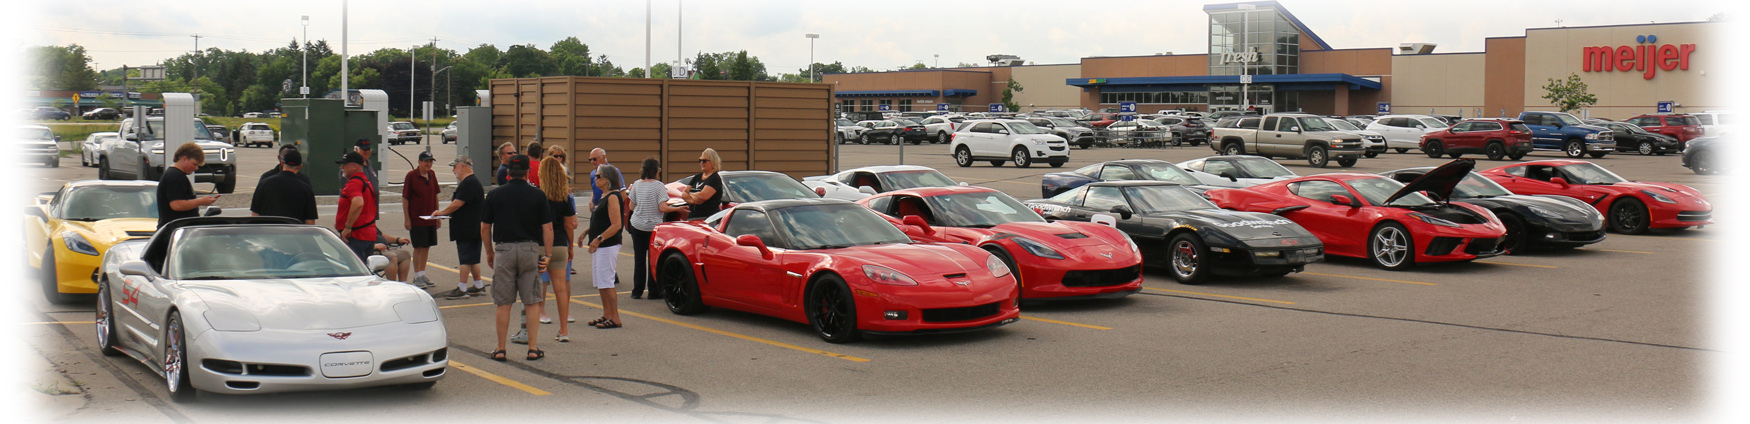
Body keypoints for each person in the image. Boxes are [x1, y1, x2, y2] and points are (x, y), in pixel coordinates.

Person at [481, 154, 554, 361]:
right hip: (529, 249)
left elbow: (485, 227)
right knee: (531, 301)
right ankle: (532, 348)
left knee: (503, 302)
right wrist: (547, 254)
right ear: (528, 172)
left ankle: (501, 348)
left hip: (504, 249)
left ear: (508, 173)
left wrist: (489, 251)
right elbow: (547, 227)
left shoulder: (495, 195)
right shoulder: (537, 195)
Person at [627, 157, 688, 299]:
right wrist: (678, 209)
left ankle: (637, 291)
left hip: (637, 224)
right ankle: (653, 291)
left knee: (639, 259)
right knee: (652, 259)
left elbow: (631, 206)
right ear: (656, 171)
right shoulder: (659, 186)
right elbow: (662, 207)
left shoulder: (636, 184)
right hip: (653, 227)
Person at [431, 156, 486, 299]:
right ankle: (479, 285)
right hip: (474, 227)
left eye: (454, 167)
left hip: (467, 228)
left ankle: (462, 288)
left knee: (465, 259)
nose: (453, 170)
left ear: (463, 166)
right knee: (473, 258)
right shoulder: (472, 183)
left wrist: (441, 213)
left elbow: (457, 203)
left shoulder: (468, 183)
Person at [538, 155, 578, 341]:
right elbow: (569, 225)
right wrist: (571, 246)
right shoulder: (565, 197)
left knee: (536, 285)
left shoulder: (538, 196)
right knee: (560, 288)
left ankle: (533, 326)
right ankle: (564, 330)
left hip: (540, 243)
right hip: (560, 243)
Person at [584, 164, 627, 329]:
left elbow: (616, 224)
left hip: (608, 245)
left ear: (608, 179)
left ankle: (615, 317)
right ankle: (606, 314)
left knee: (607, 281)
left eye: (599, 176)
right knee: (600, 282)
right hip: (600, 245)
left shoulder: (613, 197)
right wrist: (587, 232)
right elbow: (601, 221)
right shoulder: (603, 196)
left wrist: (599, 239)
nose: (596, 179)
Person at [403, 151, 442, 289]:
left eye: (430, 161)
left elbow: (435, 195)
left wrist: (437, 216)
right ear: (419, 162)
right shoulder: (411, 176)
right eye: (426, 161)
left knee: (427, 246)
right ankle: (417, 276)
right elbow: (405, 198)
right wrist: (407, 219)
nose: (428, 164)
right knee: (419, 246)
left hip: (430, 217)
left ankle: (422, 273)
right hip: (417, 218)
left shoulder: (432, 175)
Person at [157, 143, 218, 228]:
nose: (196, 168)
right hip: (175, 231)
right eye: (194, 164)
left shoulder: (176, 175)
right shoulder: (174, 176)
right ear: (184, 159)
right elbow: (177, 205)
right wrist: (201, 201)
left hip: (179, 229)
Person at [249, 149, 317, 224]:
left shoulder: (265, 183)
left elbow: (255, 214)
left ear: (282, 163)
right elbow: (310, 221)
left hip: (268, 232)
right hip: (294, 233)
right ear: (300, 166)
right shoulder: (306, 188)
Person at [335, 152, 380, 262]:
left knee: (351, 274)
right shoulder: (366, 182)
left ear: (354, 166)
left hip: (356, 237)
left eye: (344, 165)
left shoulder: (354, 183)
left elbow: (358, 203)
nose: (341, 168)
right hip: (367, 236)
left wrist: (348, 227)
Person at [680, 148, 725, 219]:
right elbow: (684, 193)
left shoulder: (715, 178)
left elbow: (703, 196)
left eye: (704, 161)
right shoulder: (697, 177)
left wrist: (690, 195)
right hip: (692, 217)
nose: (701, 163)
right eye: (700, 161)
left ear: (713, 162)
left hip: (707, 218)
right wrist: (694, 200)